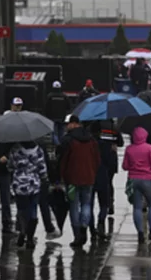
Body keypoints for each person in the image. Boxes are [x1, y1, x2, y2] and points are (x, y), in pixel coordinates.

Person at [59, 115, 101, 248]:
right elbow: (97, 160)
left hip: (72, 179)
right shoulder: (91, 139)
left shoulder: (68, 140)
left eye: (67, 124)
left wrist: (61, 176)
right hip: (89, 177)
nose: (66, 127)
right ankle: (84, 228)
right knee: (86, 204)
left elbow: (63, 161)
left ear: (73, 124)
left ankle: (77, 235)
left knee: (74, 205)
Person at [122, 127, 151, 244]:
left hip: (134, 180)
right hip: (148, 180)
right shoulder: (149, 148)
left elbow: (125, 166)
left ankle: (140, 233)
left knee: (137, 207)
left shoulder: (129, 149)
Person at [8, 141, 48, 249]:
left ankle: (22, 231)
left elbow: (10, 166)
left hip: (19, 184)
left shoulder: (15, 149)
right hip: (34, 184)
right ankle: (30, 238)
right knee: (33, 209)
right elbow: (42, 169)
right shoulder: (38, 150)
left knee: (21, 210)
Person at [89, 122, 118, 239]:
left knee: (89, 204)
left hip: (90, 176)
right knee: (104, 203)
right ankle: (101, 222)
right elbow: (110, 162)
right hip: (103, 176)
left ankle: (91, 228)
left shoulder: (88, 145)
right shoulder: (105, 145)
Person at [46, 81, 70, 145]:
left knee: (54, 133)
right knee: (61, 133)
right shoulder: (64, 96)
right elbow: (68, 107)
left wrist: (47, 116)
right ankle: (62, 145)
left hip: (53, 118)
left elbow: (46, 107)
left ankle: (57, 146)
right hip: (62, 118)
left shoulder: (50, 96)